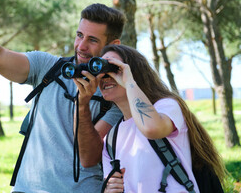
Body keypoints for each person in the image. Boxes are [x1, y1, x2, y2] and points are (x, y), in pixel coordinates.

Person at [0, 3, 126, 192]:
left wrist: (82, 105)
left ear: (112, 45)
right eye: (79, 35)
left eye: (92, 40)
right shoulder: (47, 67)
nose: (81, 46)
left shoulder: (115, 95)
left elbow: (89, 157)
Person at [73, 44, 226, 193]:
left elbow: (151, 128)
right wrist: (109, 189)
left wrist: (129, 82)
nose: (105, 78)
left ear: (133, 72)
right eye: (100, 72)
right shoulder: (111, 139)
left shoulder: (166, 107)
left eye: (113, 69)